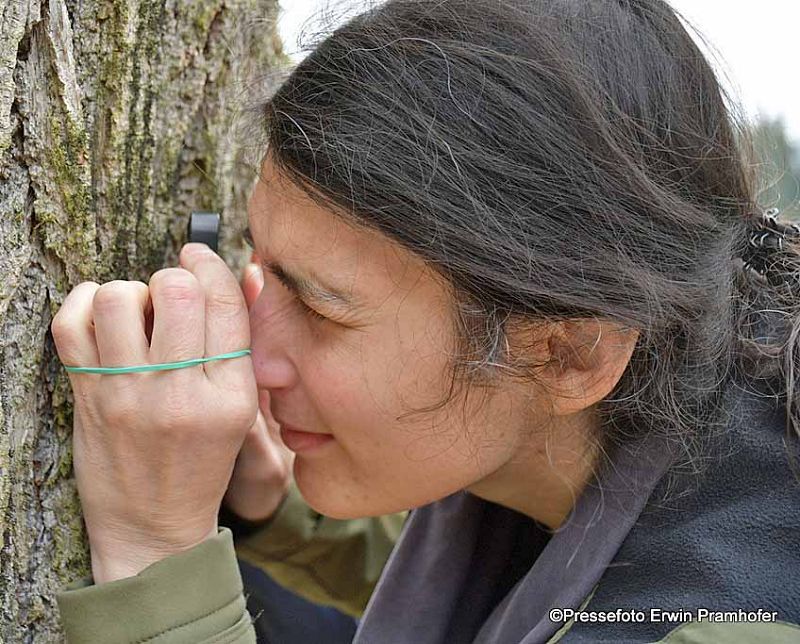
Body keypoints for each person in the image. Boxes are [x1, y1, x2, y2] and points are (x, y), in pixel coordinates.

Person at [50, 0, 800, 642]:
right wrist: (278, 512)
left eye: (317, 306)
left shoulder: (724, 616)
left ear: (571, 354)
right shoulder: (688, 396)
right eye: (259, 268)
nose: (250, 357)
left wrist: (158, 555)